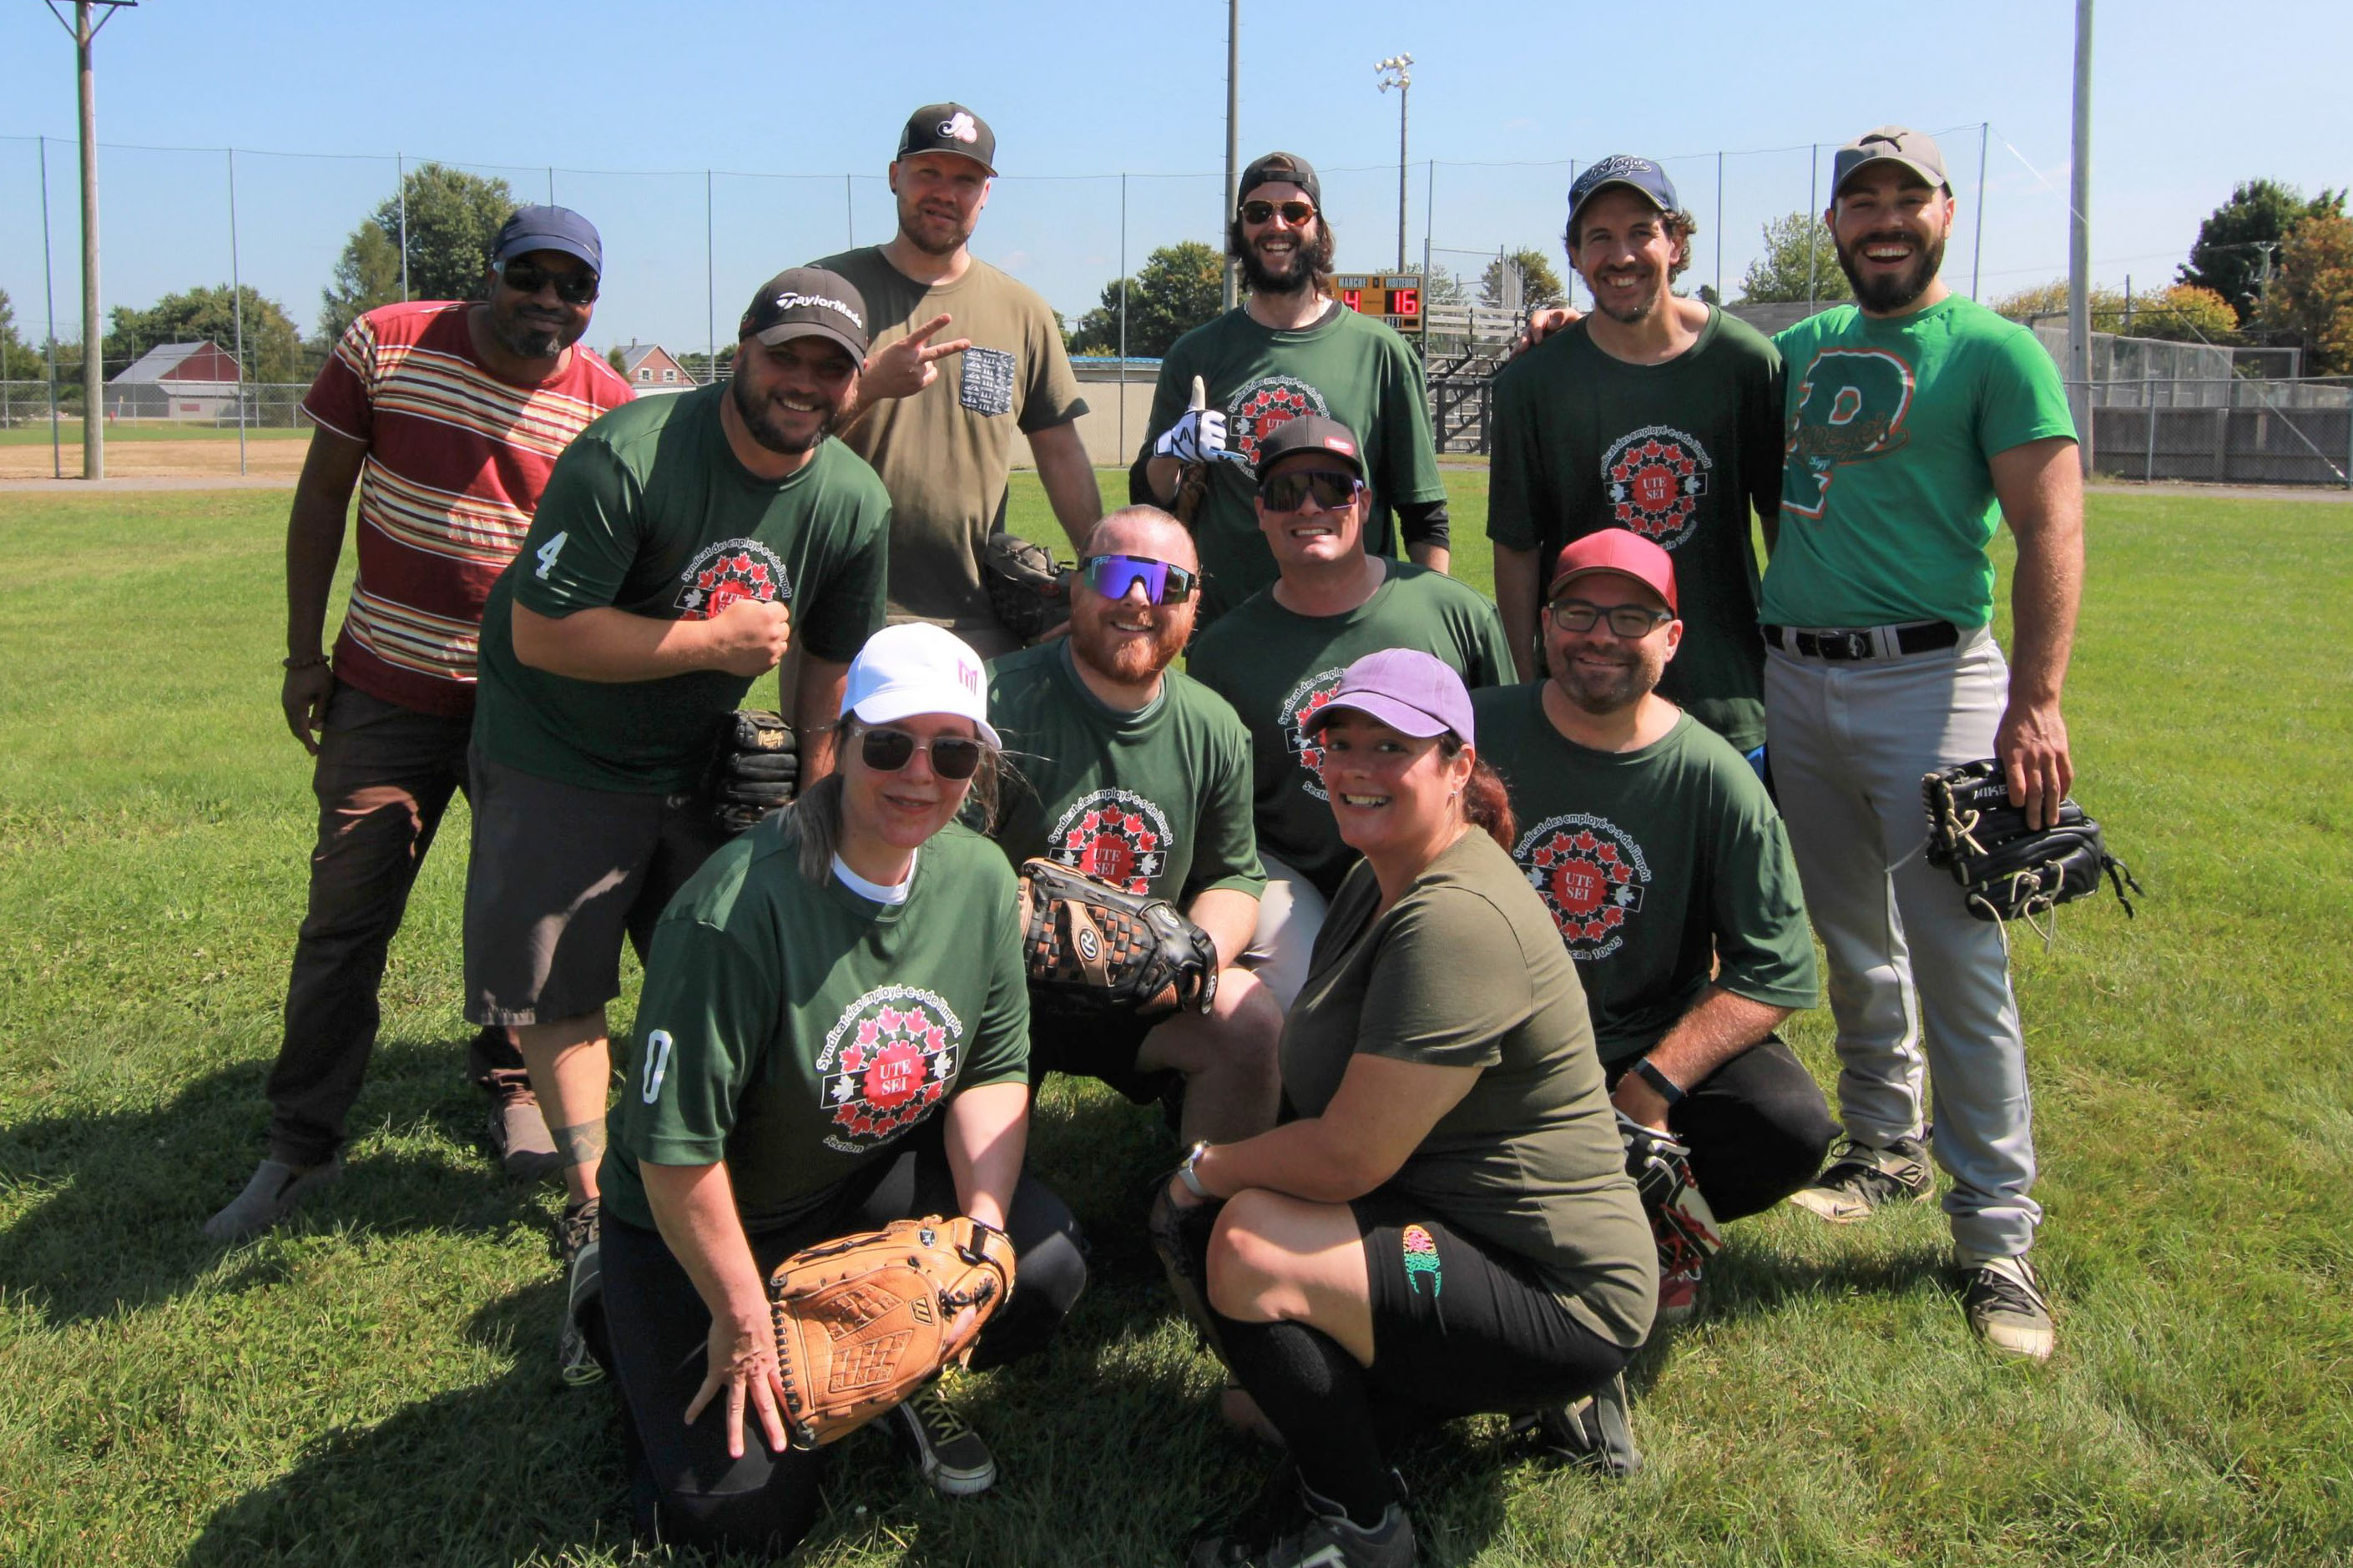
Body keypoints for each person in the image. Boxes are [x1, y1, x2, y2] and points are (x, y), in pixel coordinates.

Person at [463, 266, 892, 1384]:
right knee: (560, 973)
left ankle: (720, 1160)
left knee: (720, 956)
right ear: (738, 352)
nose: (801, 382)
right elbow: (546, 633)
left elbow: (827, 661)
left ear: (852, 384)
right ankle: (595, 1198)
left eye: (827, 367)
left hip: (692, 749)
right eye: (783, 355)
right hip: (555, 738)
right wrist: (711, 645)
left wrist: (818, 786)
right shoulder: (631, 454)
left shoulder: (850, 498)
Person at [598, 623, 1088, 1552]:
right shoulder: (731, 911)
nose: (919, 774)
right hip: (703, 1220)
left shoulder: (980, 877)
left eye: (952, 751)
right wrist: (741, 1318)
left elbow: (991, 1067)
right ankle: (615, 1311)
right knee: (733, 1514)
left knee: (1043, 1268)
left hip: (855, 1177)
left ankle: (886, 1380)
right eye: (890, 744)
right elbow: (675, 1152)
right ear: (839, 738)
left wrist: (979, 1232)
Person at [1166, 649, 1654, 1568]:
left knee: (1243, 1243)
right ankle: (1433, 1396)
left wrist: (1202, 1172)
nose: (1354, 768)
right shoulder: (1379, 870)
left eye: (1390, 746)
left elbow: (1349, 1159)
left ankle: (1362, 1529)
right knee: (1257, 1402)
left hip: (1561, 1289)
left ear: (1457, 765)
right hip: (1460, 1220)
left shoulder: (1453, 917)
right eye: (1338, 743)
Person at [207, 206, 634, 1242]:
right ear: (488, 274)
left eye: (571, 288)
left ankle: (512, 1088)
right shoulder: (388, 342)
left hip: (527, 714)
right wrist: (305, 655)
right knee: (346, 915)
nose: (548, 302)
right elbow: (320, 502)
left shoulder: (608, 406)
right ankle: (300, 1146)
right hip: (385, 688)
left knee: (519, 918)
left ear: (592, 302)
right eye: (528, 278)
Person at [1762, 127, 2083, 1361]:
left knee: (1957, 954)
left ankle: (1994, 1230)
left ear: (1946, 213)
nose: (1883, 218)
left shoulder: (1995, 350)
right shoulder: (1794, 350)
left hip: (1934, 675)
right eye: (1861, 199)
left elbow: (2049, 525)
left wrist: (2037, 699)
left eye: (1907, 197)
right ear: (1834, 222)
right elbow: (1680, 356)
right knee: (1848, 934)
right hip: (1797, 670)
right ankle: (1882, 1141)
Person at [1472, 532, 1832, 1326]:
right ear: (1542, 623)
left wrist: (1651, 1086)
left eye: (1631, 617)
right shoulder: (1474, 735)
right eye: (1578, 611)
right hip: (1489, 1042)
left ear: (1671, 639)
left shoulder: (1715, 775)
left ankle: (1645, 1219)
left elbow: (1773, 970)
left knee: (1786, 1125)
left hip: (1636, 1042)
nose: (1600, 635)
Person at [1187, 415, 1515, 1007]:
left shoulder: (1455, 613)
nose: (1309, 506)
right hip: (1291, 877)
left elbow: (1506, 766)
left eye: (1332, 488)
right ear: (1260, 511)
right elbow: (1220, 812)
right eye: (1287, 493)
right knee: (1304, 1009)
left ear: (1362, 502)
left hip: (1431, 859)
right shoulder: (1222, 650)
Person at [984, 505, 1282, 1142]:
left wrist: (1189, 959)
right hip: (1002, 988)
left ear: (1194, 603)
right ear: (1075, 585)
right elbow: (941, 862)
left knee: (1246, 1017)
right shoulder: (995, 704)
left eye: (1167, 583)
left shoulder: (1215, 727)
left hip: (1141, 992)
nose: (1140, 599)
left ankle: (1201, 1208)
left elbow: (1234, 874)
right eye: (1115, 574)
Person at [1487, 156, 1783, 766]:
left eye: (1640, 232)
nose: (1620, 255)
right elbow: (1517, 544)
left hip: (1726, 703)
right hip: (1581, 694)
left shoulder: (1746, 364)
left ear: (1674, 242)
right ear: (1572, 254)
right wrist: (1526, 679)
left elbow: (1783, 526)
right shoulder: (1533, 381)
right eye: (1598, 237)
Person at [814, 103, 1101, 656]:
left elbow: (1059, 451)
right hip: (840, 613)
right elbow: (774, 433)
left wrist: (1098, 572)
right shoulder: (829, 292)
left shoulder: (1022, 311)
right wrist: (869, 387)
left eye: (966, 180)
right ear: (895, 175)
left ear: (985, 194)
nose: (945, 193)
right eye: (929, 173)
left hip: (978, 620)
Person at [1131, 152, 1451, 626]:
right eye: (1258, 213)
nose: (1275, 225)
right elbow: (1149, 502)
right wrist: (1170, 451)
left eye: (1294, 212)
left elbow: (1424, 513)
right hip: (1229, 637)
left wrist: (1431, 625)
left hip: (1354, 636)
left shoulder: (1381, 352)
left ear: (1318, 228)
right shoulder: (1194, 354)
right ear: (1240, 229)